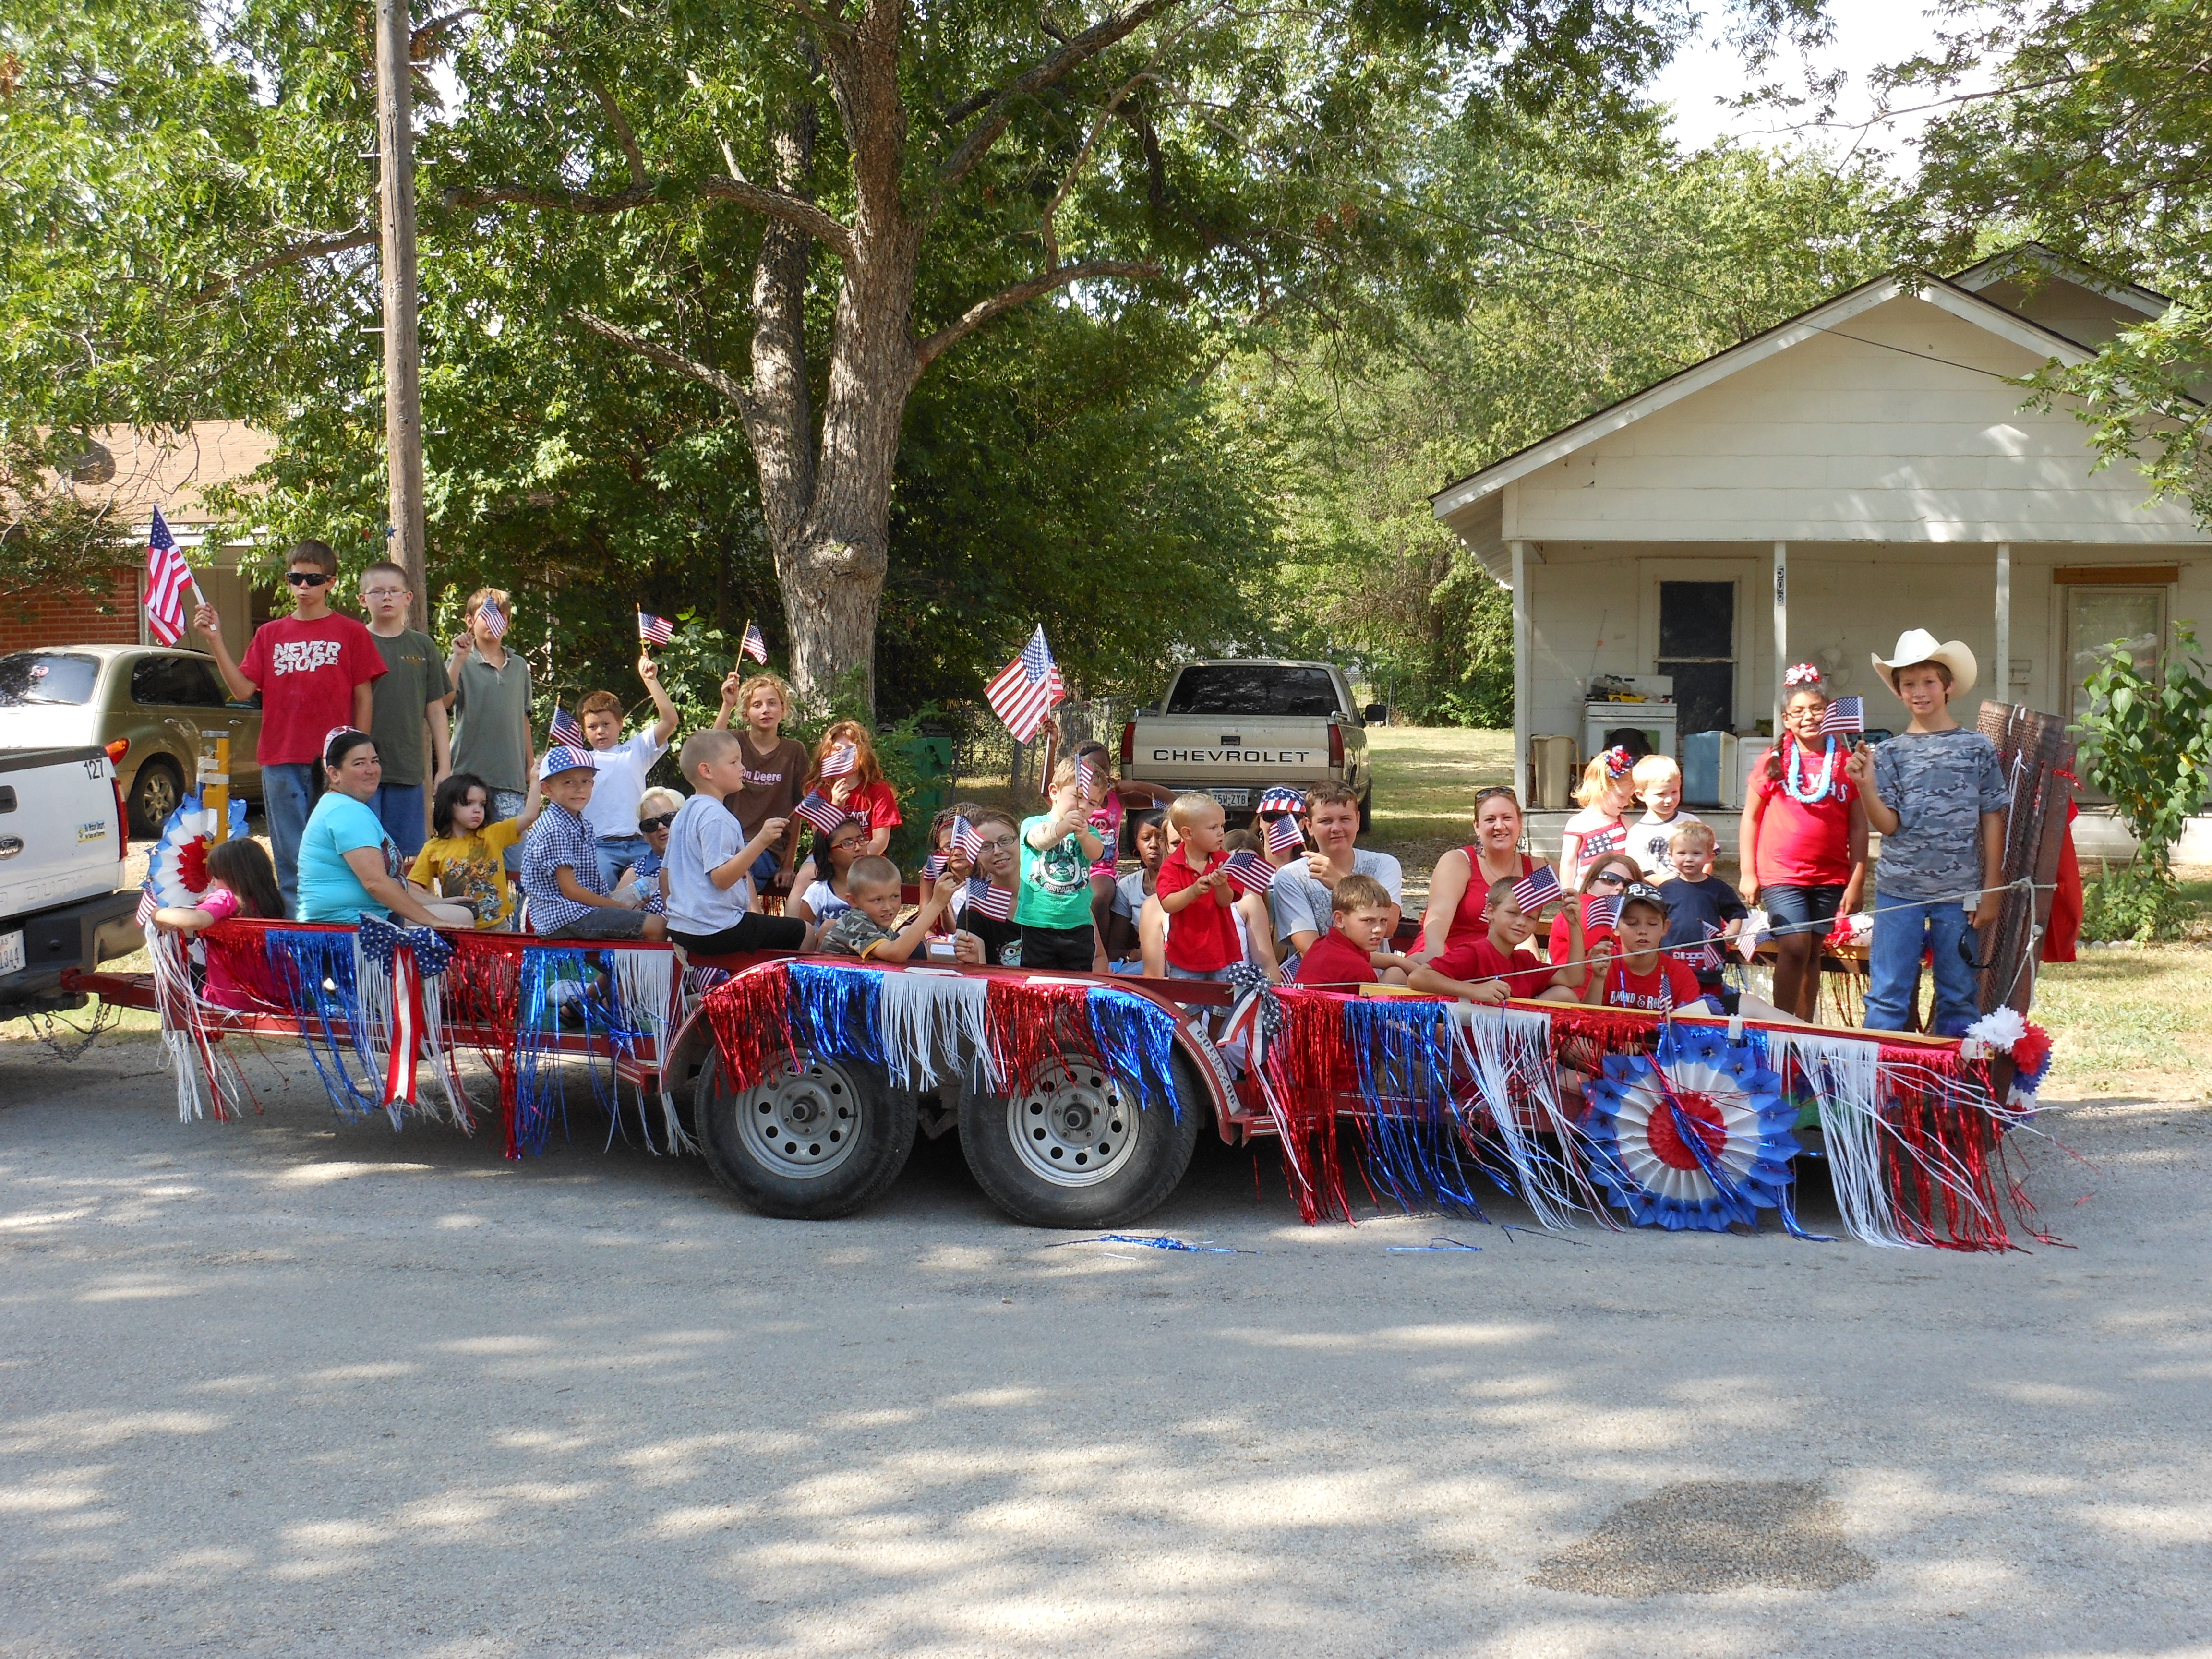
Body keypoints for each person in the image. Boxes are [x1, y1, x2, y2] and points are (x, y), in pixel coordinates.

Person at [191, 540, 386, 915]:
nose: (304, 586)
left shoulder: (351, 632)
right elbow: (243, 689)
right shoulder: (269, 635)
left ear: (331, 582)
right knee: (291, 855)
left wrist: (360, 755)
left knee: (341, 849)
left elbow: (364, 697)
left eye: (313, 578)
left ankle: (347, 924)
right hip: (281, 756)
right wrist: (215, 640)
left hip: (333, 764)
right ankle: (301, 931)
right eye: (296, 577)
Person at [1847, 629, 2008, 1037]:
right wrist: (1866, 786)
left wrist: (1991, 888)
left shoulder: (1976, 748)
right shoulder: (1889, 753)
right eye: (1909, 684)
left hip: (1959, 893)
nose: (1920, 692)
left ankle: (1956, 1094)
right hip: (1899, 890)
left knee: (1958, 994)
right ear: (1899, 692)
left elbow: (1992, 816)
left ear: (1948, 686)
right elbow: (1889, 825)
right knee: (1888, 994)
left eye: (1929, 682)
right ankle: (1877, 1087)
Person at [1740, 669, 1870, 1022]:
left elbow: (1859, 826)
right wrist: (1748, 872)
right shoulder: (1774, 760)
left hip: (1829, 876)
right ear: (1786, 718)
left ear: (1828, 712)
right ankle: (1781, 1025)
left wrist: (1857, 879)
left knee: (1813, 951)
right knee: (1794, 946)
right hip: (1782, 873)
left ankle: (1804, 1026)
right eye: (1798, 711)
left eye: (1815, 709)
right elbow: (1750, 817)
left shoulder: (1847, 763)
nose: (1808, 717)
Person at [296, 730, 474, 927]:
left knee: (460, 913)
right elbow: (376, 883)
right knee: (461, 919)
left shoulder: (342, 805)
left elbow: (391, 882)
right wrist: (433, 920)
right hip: (344, 925)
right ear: (334, 774)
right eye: (359, 763)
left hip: (361, 917)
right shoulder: (346, 811)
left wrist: (437, 902)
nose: (371, 770)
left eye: (375, 761)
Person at [663, 728, 810, 956]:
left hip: (680, 927)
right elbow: (722, 878)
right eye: (734, 762)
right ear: (707, 771)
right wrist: (761, 840)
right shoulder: (717, 816)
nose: (743, 768)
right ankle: (780, 991)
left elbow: (665, 874)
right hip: (719, 928)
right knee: (806, 932)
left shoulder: (683, 814)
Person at [519, 748, 668, 941]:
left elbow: (592, 884)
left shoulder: (583, 824)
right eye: (568, 782)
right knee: (657, 926)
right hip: (563, 916)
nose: (579, 789)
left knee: (640, 920)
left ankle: (617, 972)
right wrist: (616, 907)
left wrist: (624, 903)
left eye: (585, 781)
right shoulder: (554, 827)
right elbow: (570, 891)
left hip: (581, 910)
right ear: (547, 789)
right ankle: (637, 973)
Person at [356, 559, 451, 859]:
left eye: (395, 591)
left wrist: (444, 767)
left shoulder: (423, 647)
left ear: (408, 598)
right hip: (359, 770)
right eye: (378, 591)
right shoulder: (353, 642)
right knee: (365, 852)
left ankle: (407, 907)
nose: (386, 597)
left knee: (407, 856)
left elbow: (436, 710)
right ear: (362, 599)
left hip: (408, 769)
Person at [446, 589, 534, 875]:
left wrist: (530, 767)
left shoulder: (520, 666)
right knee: (469, 862)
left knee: (518, 863)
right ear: (470, 620)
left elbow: (524, 718)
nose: (494, 622)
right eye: (487, 614)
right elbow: (444, 703)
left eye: (502, 616)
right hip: (468, 777)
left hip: (511, 780)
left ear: (507, 623)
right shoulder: (460, 661)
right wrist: (458, 660)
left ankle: (518, 919)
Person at [1268, 780, 1405, 963]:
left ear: (1358, 820)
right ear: (1309, 826)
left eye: (1345, 819)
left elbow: (1389, 927)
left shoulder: (1384, 864)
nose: (1337, 829)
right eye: (1326, 821)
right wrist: (1394, 961)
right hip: (1324, 983)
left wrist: (1341, 883)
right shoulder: (1291, 876)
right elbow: (1311, 948)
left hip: (1378, 979)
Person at [578, 656, 680, 891]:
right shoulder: (581, 761)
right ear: (584, 731)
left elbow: (670, 720)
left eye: (606, 724)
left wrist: (651, 681)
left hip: (641, 842)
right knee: (602, 897)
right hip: (600, 846)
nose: (600, 731)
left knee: (659, 889)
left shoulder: (635, 749)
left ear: (621, 724)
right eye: (592, 727)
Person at [151, 838, 288, 1010]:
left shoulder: (226, 897)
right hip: (279, 993)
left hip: (235, 996)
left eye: (216, 877)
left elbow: (197, 920)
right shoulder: (269, 900)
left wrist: (159, 913)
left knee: (188, 978)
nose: (212, 883)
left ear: (233, 877)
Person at [1415, 787, 1551, 960]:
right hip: (1448, 958)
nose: (1500, 826)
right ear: (1477, 827)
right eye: (1490, 820)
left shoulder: (1534, 871)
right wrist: (1435, 956)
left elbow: (1581, 878)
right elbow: (1439, 917)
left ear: (1520, 822)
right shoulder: (1461, 862)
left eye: (1507, 818)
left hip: (1495, 966)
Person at [711, 671, 811, 895]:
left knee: (736, 883)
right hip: (726, 842)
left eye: (773, 703)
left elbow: (799, 812)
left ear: (784, 710)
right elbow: (708, 748)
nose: (766, 710)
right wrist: (727, 706)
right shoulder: (735, 741)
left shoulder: (794, 752)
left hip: (768, 848)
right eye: (757, 705)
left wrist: (788, 866)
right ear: (746, 714)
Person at [1407, 878, 1581, 1005]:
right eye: (1513, 913)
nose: (1521, 922)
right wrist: (1475, 991)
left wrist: (1574, 924)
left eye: (1531, 918)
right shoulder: (1475, 953)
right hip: (1471, 1051)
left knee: (1565, 994)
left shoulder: (1525, 961)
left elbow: (1573, 979)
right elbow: (1418, 977)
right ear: (1490, 912)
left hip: (1514, 1049)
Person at [410, 770, 544, 928]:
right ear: (448, 805)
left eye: (482, 804)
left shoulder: (493, 834)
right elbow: (412, 886)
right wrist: (438, 903)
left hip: (499, 926)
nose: (478, 809)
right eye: (469, 803)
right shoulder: (433, 848)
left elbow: (529, 816)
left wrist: (535, 779)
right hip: (460, 927)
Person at [1070, 740, 1172, 943]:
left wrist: (1134, 785)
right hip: (1074, 864)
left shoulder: (1118, 798)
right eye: (1092, 768)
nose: (1100, 774)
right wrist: (1052, 745)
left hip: (1102, 870)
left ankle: (1101, 952)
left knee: (1098, 897)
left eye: (1105, 769)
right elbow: (1046, 791)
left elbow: (1170, 800)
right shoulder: (1073, 798)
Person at [1017, 756, 1107, 972]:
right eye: (1078, 797)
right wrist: (1063, 828)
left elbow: (1097, 853)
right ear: (1054, 792)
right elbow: (1039, 839)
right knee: (1038, 982)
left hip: (1078, 925)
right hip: (1036, 923)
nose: (1084, 806)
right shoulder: (1034, 823)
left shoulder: (1090, 832)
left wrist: (1084, 837)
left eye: (1092, 803)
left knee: (1077, 982)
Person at [1659, 822, 1749, 1013]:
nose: (1689, 859)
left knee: (1708, 1009)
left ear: (1710, 856)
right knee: (1677, 1009)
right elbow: (1655, 921)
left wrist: (1733, 930)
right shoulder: (1665, 890)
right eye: (1682, 853)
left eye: (1696, 854)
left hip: (1708, 967)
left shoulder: (1718, 888)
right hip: (1672, 964)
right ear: (1671, 856)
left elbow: (1736, 912)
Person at [1586, 881, 1710, 1013]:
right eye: (1632, 923)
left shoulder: (1681, 976)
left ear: (1665, 927)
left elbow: (1692, 1028)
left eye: (1652, 924)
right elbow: (1582, 1022)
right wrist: (1598, 980)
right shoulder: (1599, 963)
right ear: (1615, 927)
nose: (1642, 931)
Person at [1154, 792, 1239, 983]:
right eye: (1213, 827)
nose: (1221, 832)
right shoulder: (1172, 865)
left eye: (1222, 826)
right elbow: (1168, 904)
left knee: (1224, 1008)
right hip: (1185, 958)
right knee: (1187, 1009)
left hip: (1222, 954)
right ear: (1188, 833)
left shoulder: (1224, 860)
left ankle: (1218, 1016)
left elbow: (1226, 901)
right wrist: (1193, 891)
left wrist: (1222, 885)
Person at [816, 857, 957, 962]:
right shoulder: (855, 921)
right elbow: (896, 953)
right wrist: (936, 904)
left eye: (895, 896)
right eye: (878, 900)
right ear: (853, 901)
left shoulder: (882, 929)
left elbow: (921, 952)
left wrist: (957, 953)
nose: (888, 907)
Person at [1291, 873, 1407, 989]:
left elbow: (1380, 959)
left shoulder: (1321, 945)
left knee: (1396, 973)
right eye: (1368, 920)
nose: (1378, 929)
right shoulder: (1359, 969)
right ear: (1339, 919)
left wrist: (1407, 965)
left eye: (1384, 920)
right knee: (1397, 977)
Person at [804, 721, 900, 857]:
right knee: (805, 876)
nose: (843, 755)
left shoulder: (879, 789)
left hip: (868, 857)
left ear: (863, 753)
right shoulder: (817, 790)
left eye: (851, 750)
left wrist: (856, 860)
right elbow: (819, 837)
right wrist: (835, 806)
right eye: (837, 749)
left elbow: (880, 841)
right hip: (829, 858)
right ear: (826, 754)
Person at [947, 807, 1024, 966]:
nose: (997, 851)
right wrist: (974, 960)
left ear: (1021, 842)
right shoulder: (974, 907)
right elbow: (977, 978)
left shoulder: (1052, 895)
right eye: (986, 846)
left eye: (1005, 840)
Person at [1560, 747, 1639, 880]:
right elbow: (1568, 863)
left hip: (1620, 889)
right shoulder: (1577, 824)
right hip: (1589, 891)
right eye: (1621, 796)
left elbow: (1633, 861)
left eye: (1629, 797)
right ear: (1601, 788)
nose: (1626, 803)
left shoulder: (1625, 823)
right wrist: (1568, 893)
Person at [1104, 810, 1168, 966]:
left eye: (1160, 837)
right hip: (1146, 965)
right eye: (1146, 839)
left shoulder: (1190, 883)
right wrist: (1134, 954)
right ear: (1137, 844)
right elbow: (1115, 950)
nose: (1153, 845)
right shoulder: (1128, 886)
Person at [1628, 753, 1701, 879]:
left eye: (1674, 792)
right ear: (1640, 795)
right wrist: (1673, 888)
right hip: (1658, 894)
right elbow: (1644, 873)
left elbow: (1707, 857)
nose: (1669, 799)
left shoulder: (1691, 822)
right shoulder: (1638, 833)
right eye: (1661, 794)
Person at [614, 786, 682, 915]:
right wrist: (634, 914)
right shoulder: (636, 873)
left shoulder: (703, 861)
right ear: (644, 835)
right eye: (650, 824)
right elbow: (614, 917)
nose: (661, 827)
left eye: (668, 818)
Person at [790, 816, 868, 926]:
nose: (858, 847)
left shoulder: (877, 886)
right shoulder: (818, 893)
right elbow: (805, 934)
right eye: (848, 843)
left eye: (862, 840)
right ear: (829, 855)